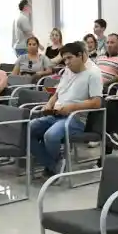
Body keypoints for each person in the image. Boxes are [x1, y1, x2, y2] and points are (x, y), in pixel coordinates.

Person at [28, 42, 102, 175]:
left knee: (50, 135)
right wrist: (49, 103)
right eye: (64, 59)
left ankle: (53, 166)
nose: (67, 62)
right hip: (56, 114)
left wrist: (71, 107)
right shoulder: (67, 71)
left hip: (75, 118)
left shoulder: (93, 74)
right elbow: (57, 93)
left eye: (70, 58)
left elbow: (96, 103)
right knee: (28, 129)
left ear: (80, 56)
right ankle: (54, 164)